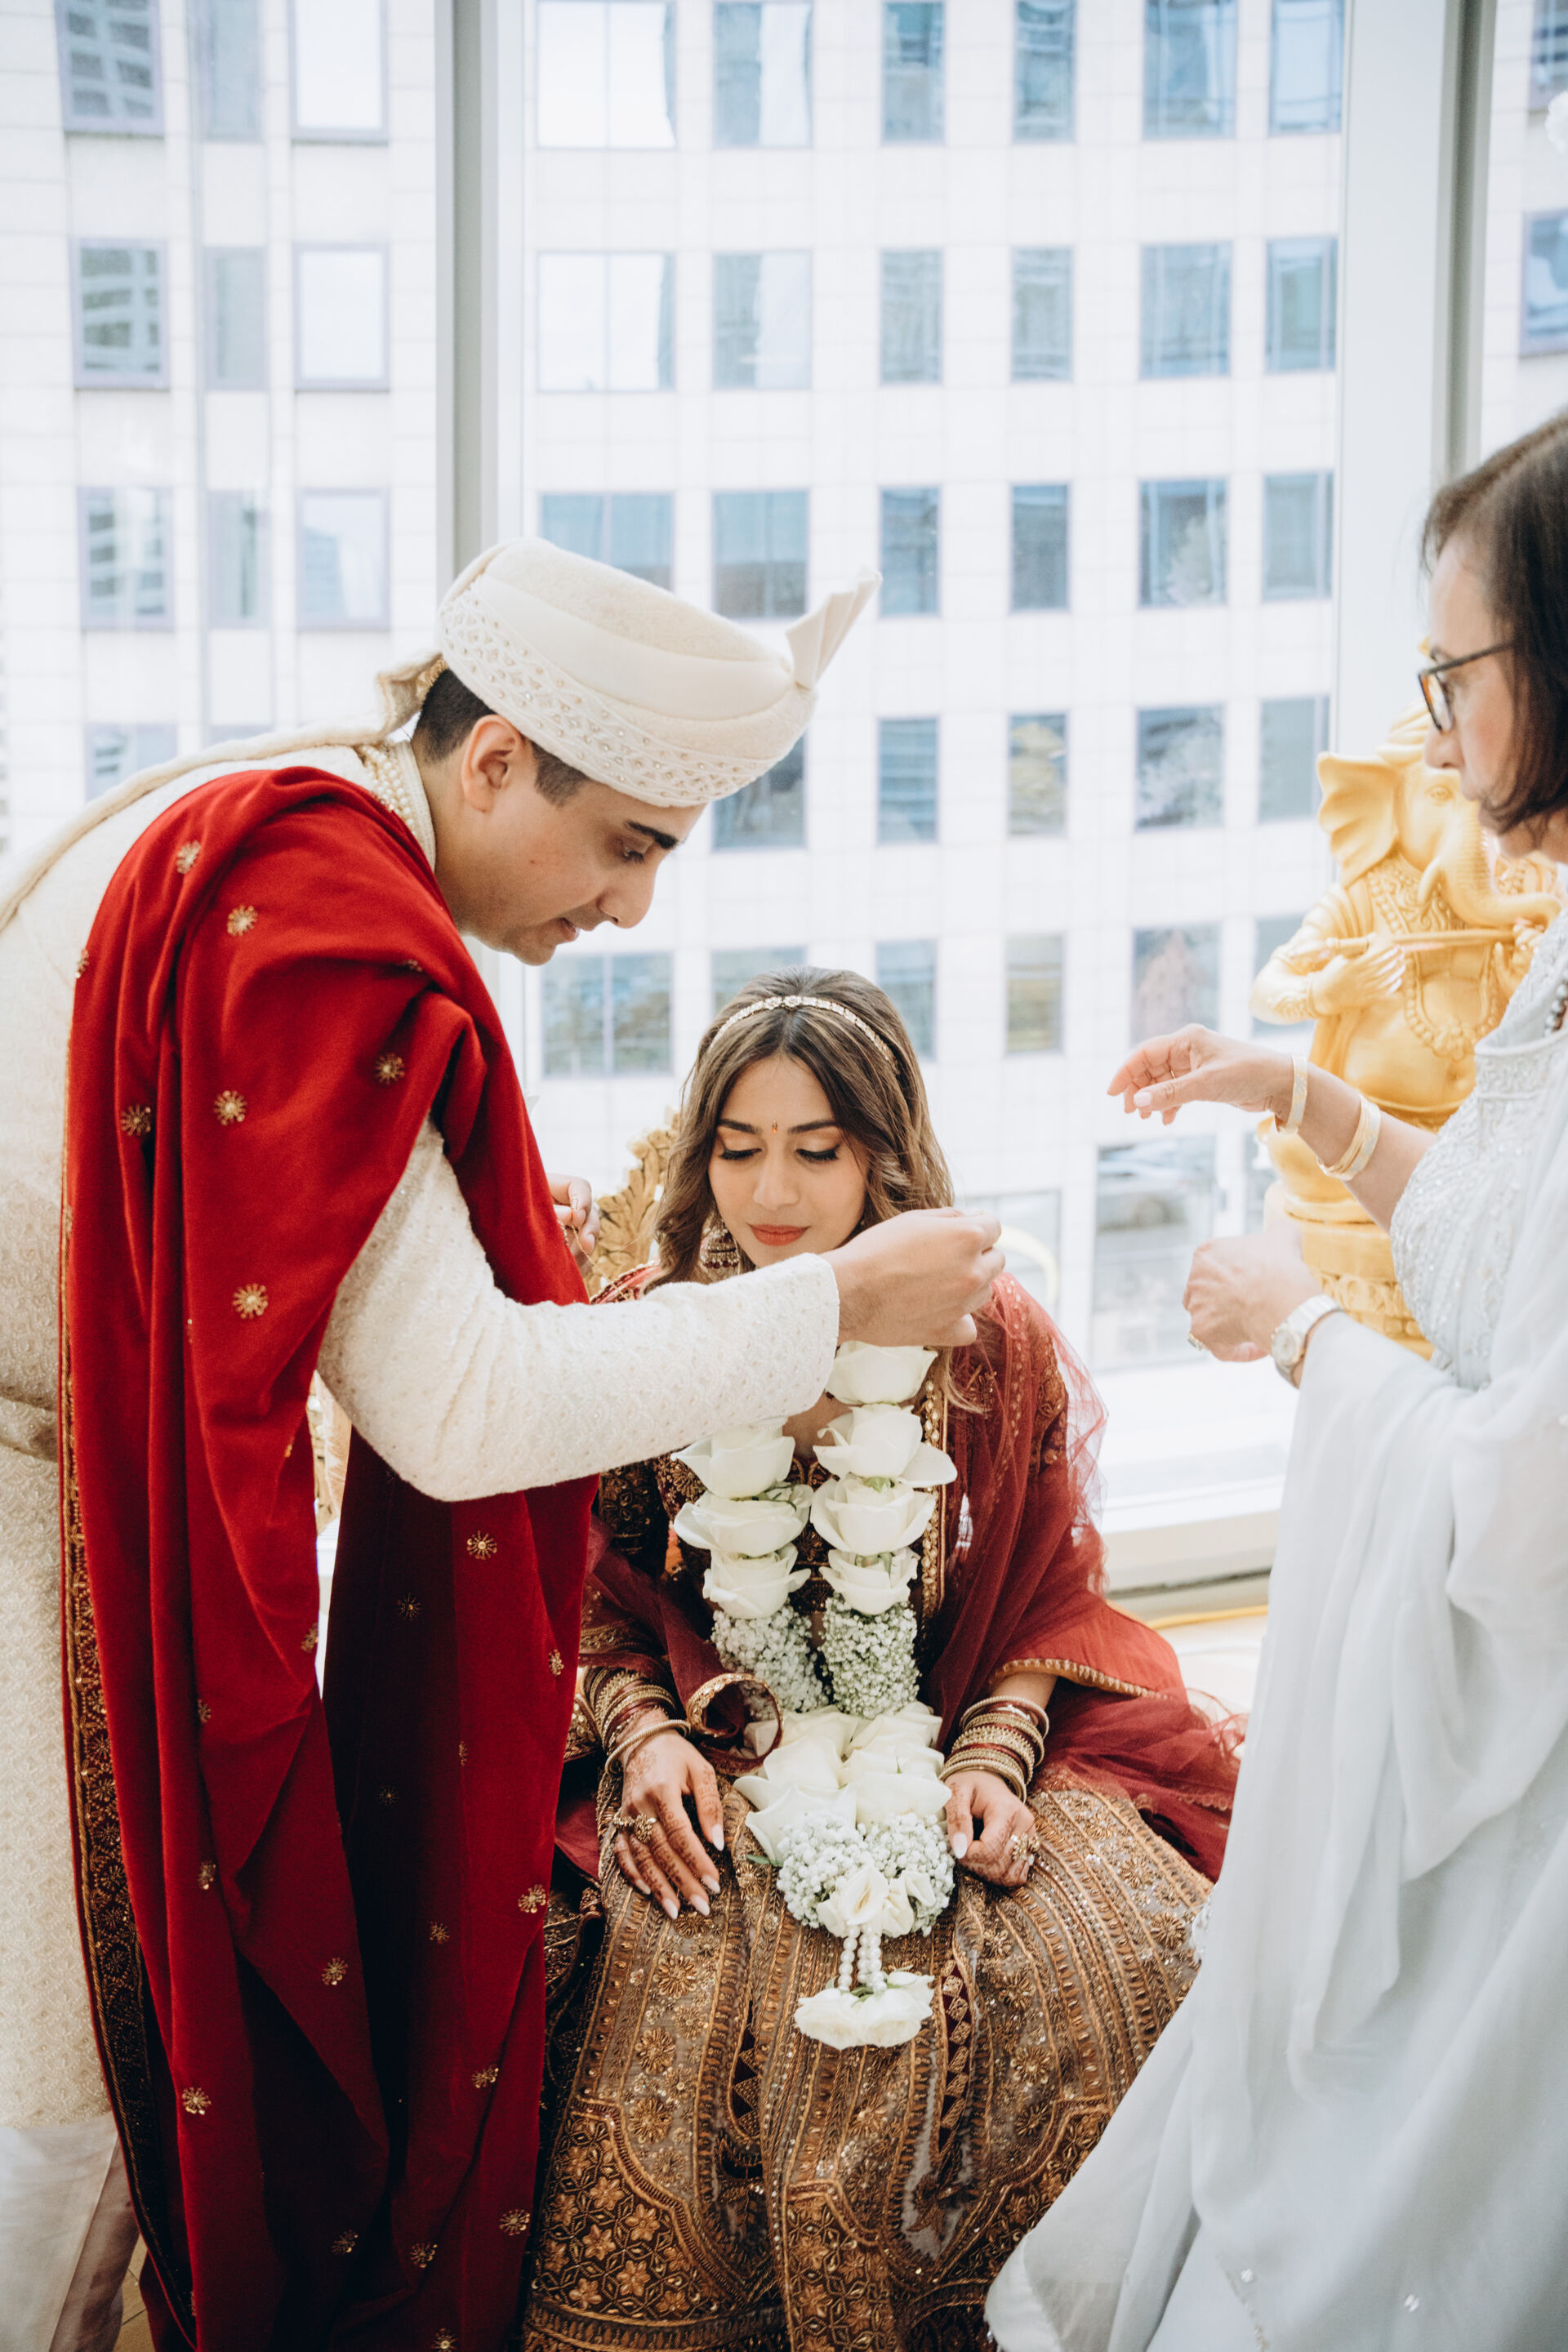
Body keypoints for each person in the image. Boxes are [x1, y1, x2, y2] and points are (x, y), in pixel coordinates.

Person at [0, 540, 1006, 2352]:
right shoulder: (323, 919)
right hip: (41, 1549)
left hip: (76, 1496)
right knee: (72, 2128)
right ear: (490, 761)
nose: (631, 906)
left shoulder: (274, 813)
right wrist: (838, 1302)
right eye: (626, 843)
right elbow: (462, 1411)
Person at [987, 414, 1568, 2352]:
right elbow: (1510, 1243)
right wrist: (1308, 1100)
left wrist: (1302, 1332)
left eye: (1455, 675)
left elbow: (1523, 1503)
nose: (1432, 732)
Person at [518, 970, 1240, 2352]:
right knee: (644, 1969)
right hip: (699, 1738)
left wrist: (993, 1763)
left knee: (1120, 1955)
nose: (771, 1192)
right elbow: (583, 1590)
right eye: (738, 1148)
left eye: (816, 1149)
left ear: (884, 1157)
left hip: (949, 1721)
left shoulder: (987, 1336)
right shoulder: (652, 1327)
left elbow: (1044, 1583)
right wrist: (645, 1737)